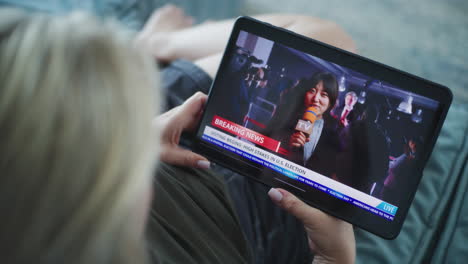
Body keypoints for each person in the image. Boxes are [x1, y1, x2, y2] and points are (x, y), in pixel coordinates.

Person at [0, 7, 355, 264]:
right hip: (237, 215)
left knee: (324, 37)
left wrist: (134, 136)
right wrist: (333, 259)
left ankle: (156, 44)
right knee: (328, 39)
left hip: (160, 131)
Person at [268, 72, 341, 178]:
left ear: (331, 102)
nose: (316, 98)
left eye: (324, 95)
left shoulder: (332, 135)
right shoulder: (285, 119)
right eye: (312, 91)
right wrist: (285, 146)